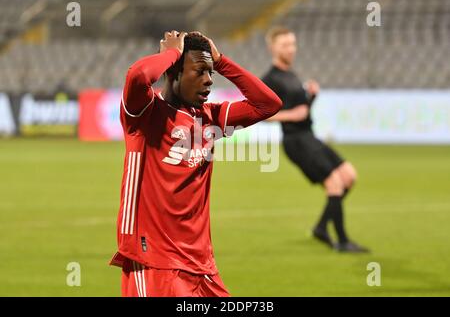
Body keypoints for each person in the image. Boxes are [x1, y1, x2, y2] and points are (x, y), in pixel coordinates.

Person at [109, 30, 282, 297]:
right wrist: (170, 53)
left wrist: (222, 61)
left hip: (202, 266)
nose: (209, 80)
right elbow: (138, 76)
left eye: (211, 72)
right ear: (173, 71)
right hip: (154, 263)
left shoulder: (209, 118)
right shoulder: (144, 114)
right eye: (200, 71)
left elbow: (268, 104)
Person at [261, 26, 369, 253]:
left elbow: (303, 111)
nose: (291, 49)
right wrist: (291, 115)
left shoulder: (291, 74)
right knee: (335, 184)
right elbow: (262, 114)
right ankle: (342, 241)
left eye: (292, 44)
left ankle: (321, 228)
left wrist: (312, 98)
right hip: (295, 141)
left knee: (349, 176)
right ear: (272, 47)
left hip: (308, 135)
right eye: (285, 45)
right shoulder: (270, 79)